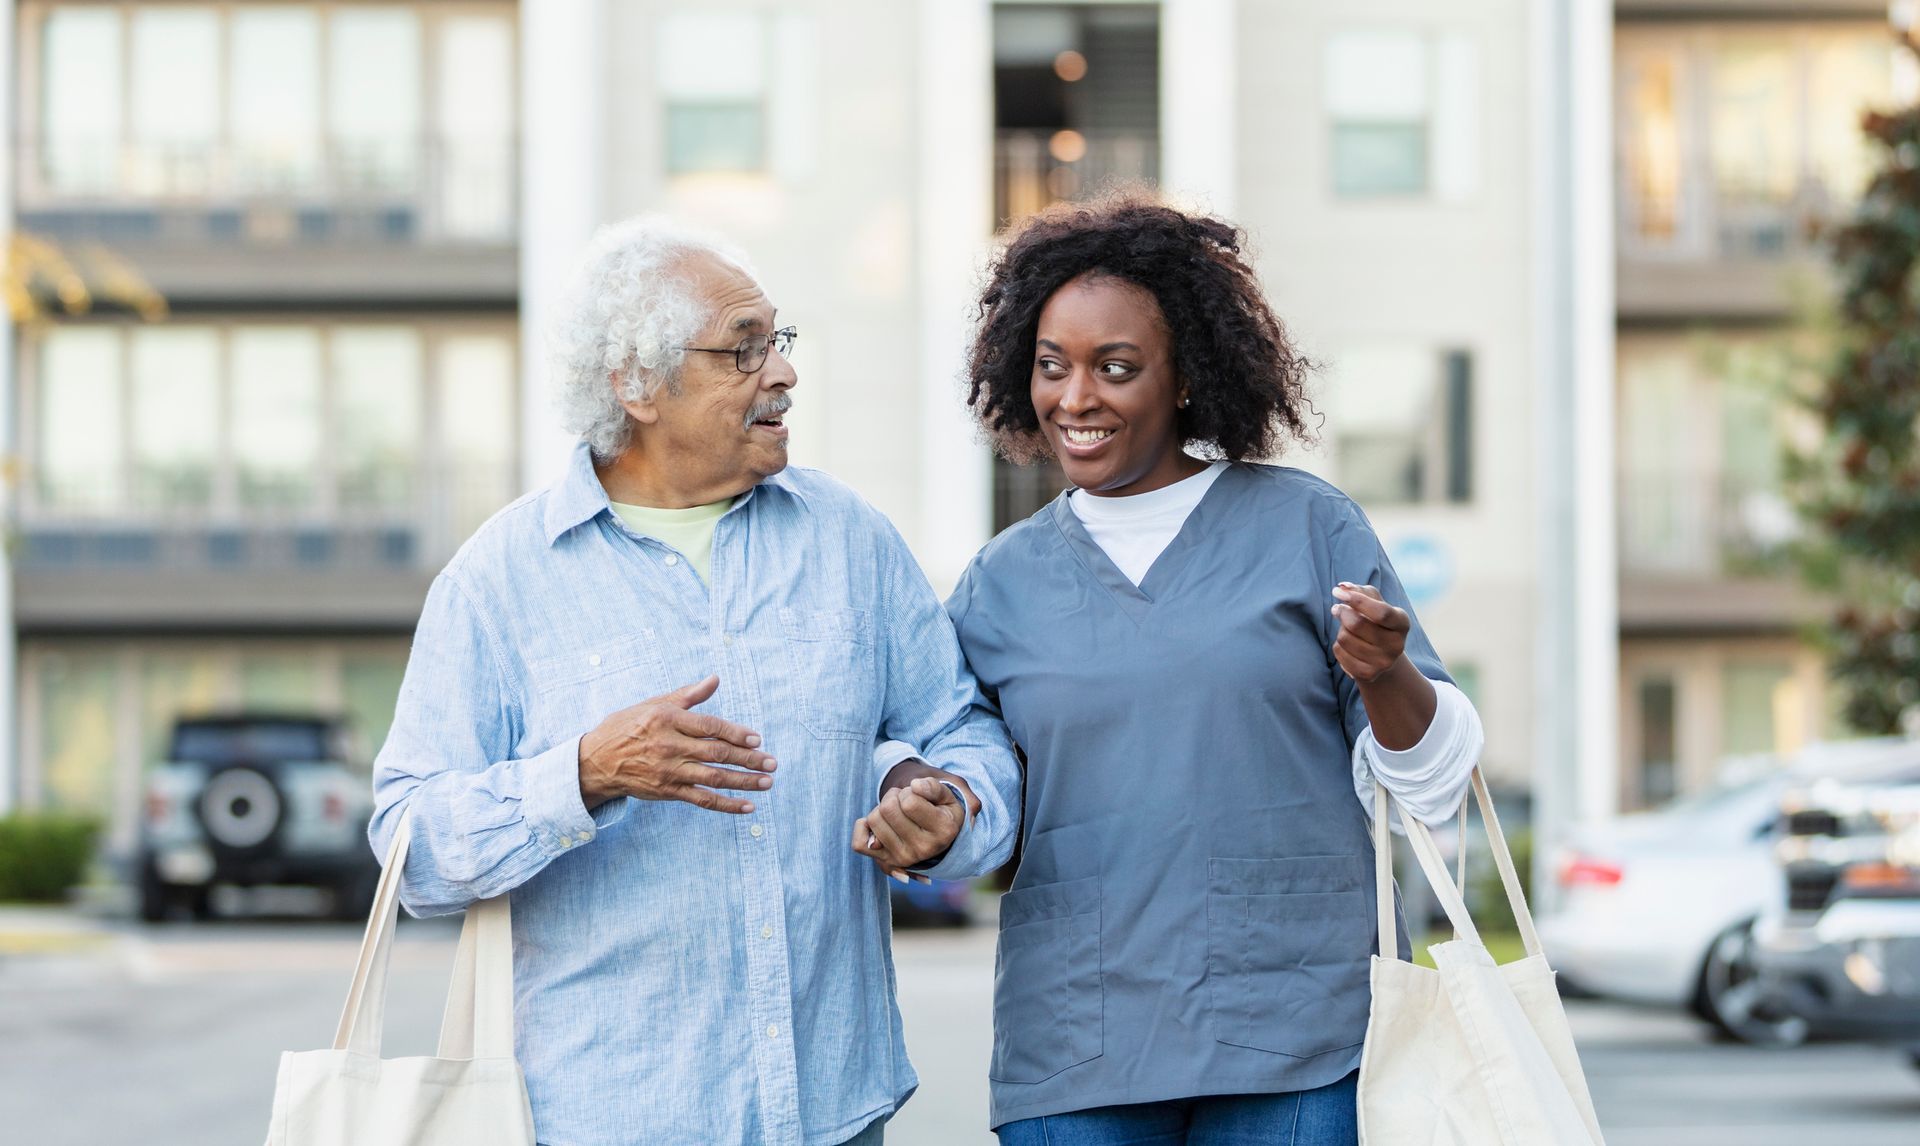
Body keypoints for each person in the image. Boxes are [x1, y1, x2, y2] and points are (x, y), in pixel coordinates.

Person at [368, 217, 1019, 1146]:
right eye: (743, 351)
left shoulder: (850, 542)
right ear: (636, 383)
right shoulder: (499, 581)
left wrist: (948, 807)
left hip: (831, 1113)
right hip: (607, 1117)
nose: (783, 373)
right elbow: (407, 847)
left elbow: (964, 729)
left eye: (778, 343)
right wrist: (584, 774)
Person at [937, 194, 1483, 1145]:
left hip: (1296, 1028)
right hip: (1080, 1041)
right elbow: (968, 783)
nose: (1075, 399)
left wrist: (1389, 674)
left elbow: (1433, 785)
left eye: (1116, 368)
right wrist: (925, 802)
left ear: (1186, 377)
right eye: (1052, 367)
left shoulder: (1309, 528)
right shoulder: (1001, 584)